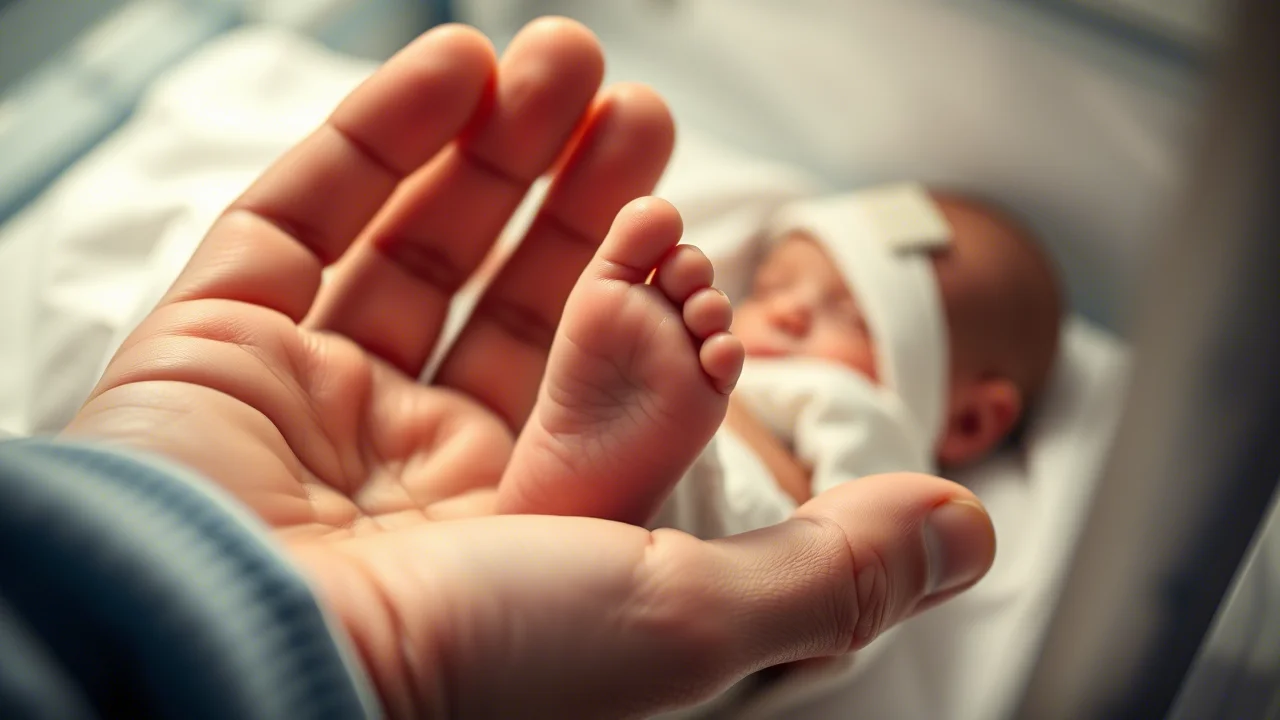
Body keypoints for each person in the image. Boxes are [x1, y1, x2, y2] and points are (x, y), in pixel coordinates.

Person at [0, 17, 996, 720]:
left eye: (837, 313)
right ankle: (589, 492)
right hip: (475, 484)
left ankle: (639, 487)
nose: (781, 310)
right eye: (780, 278)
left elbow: (836, 531)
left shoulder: (861, 417)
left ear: (970, 419)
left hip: (714, 499)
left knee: (752, 501)